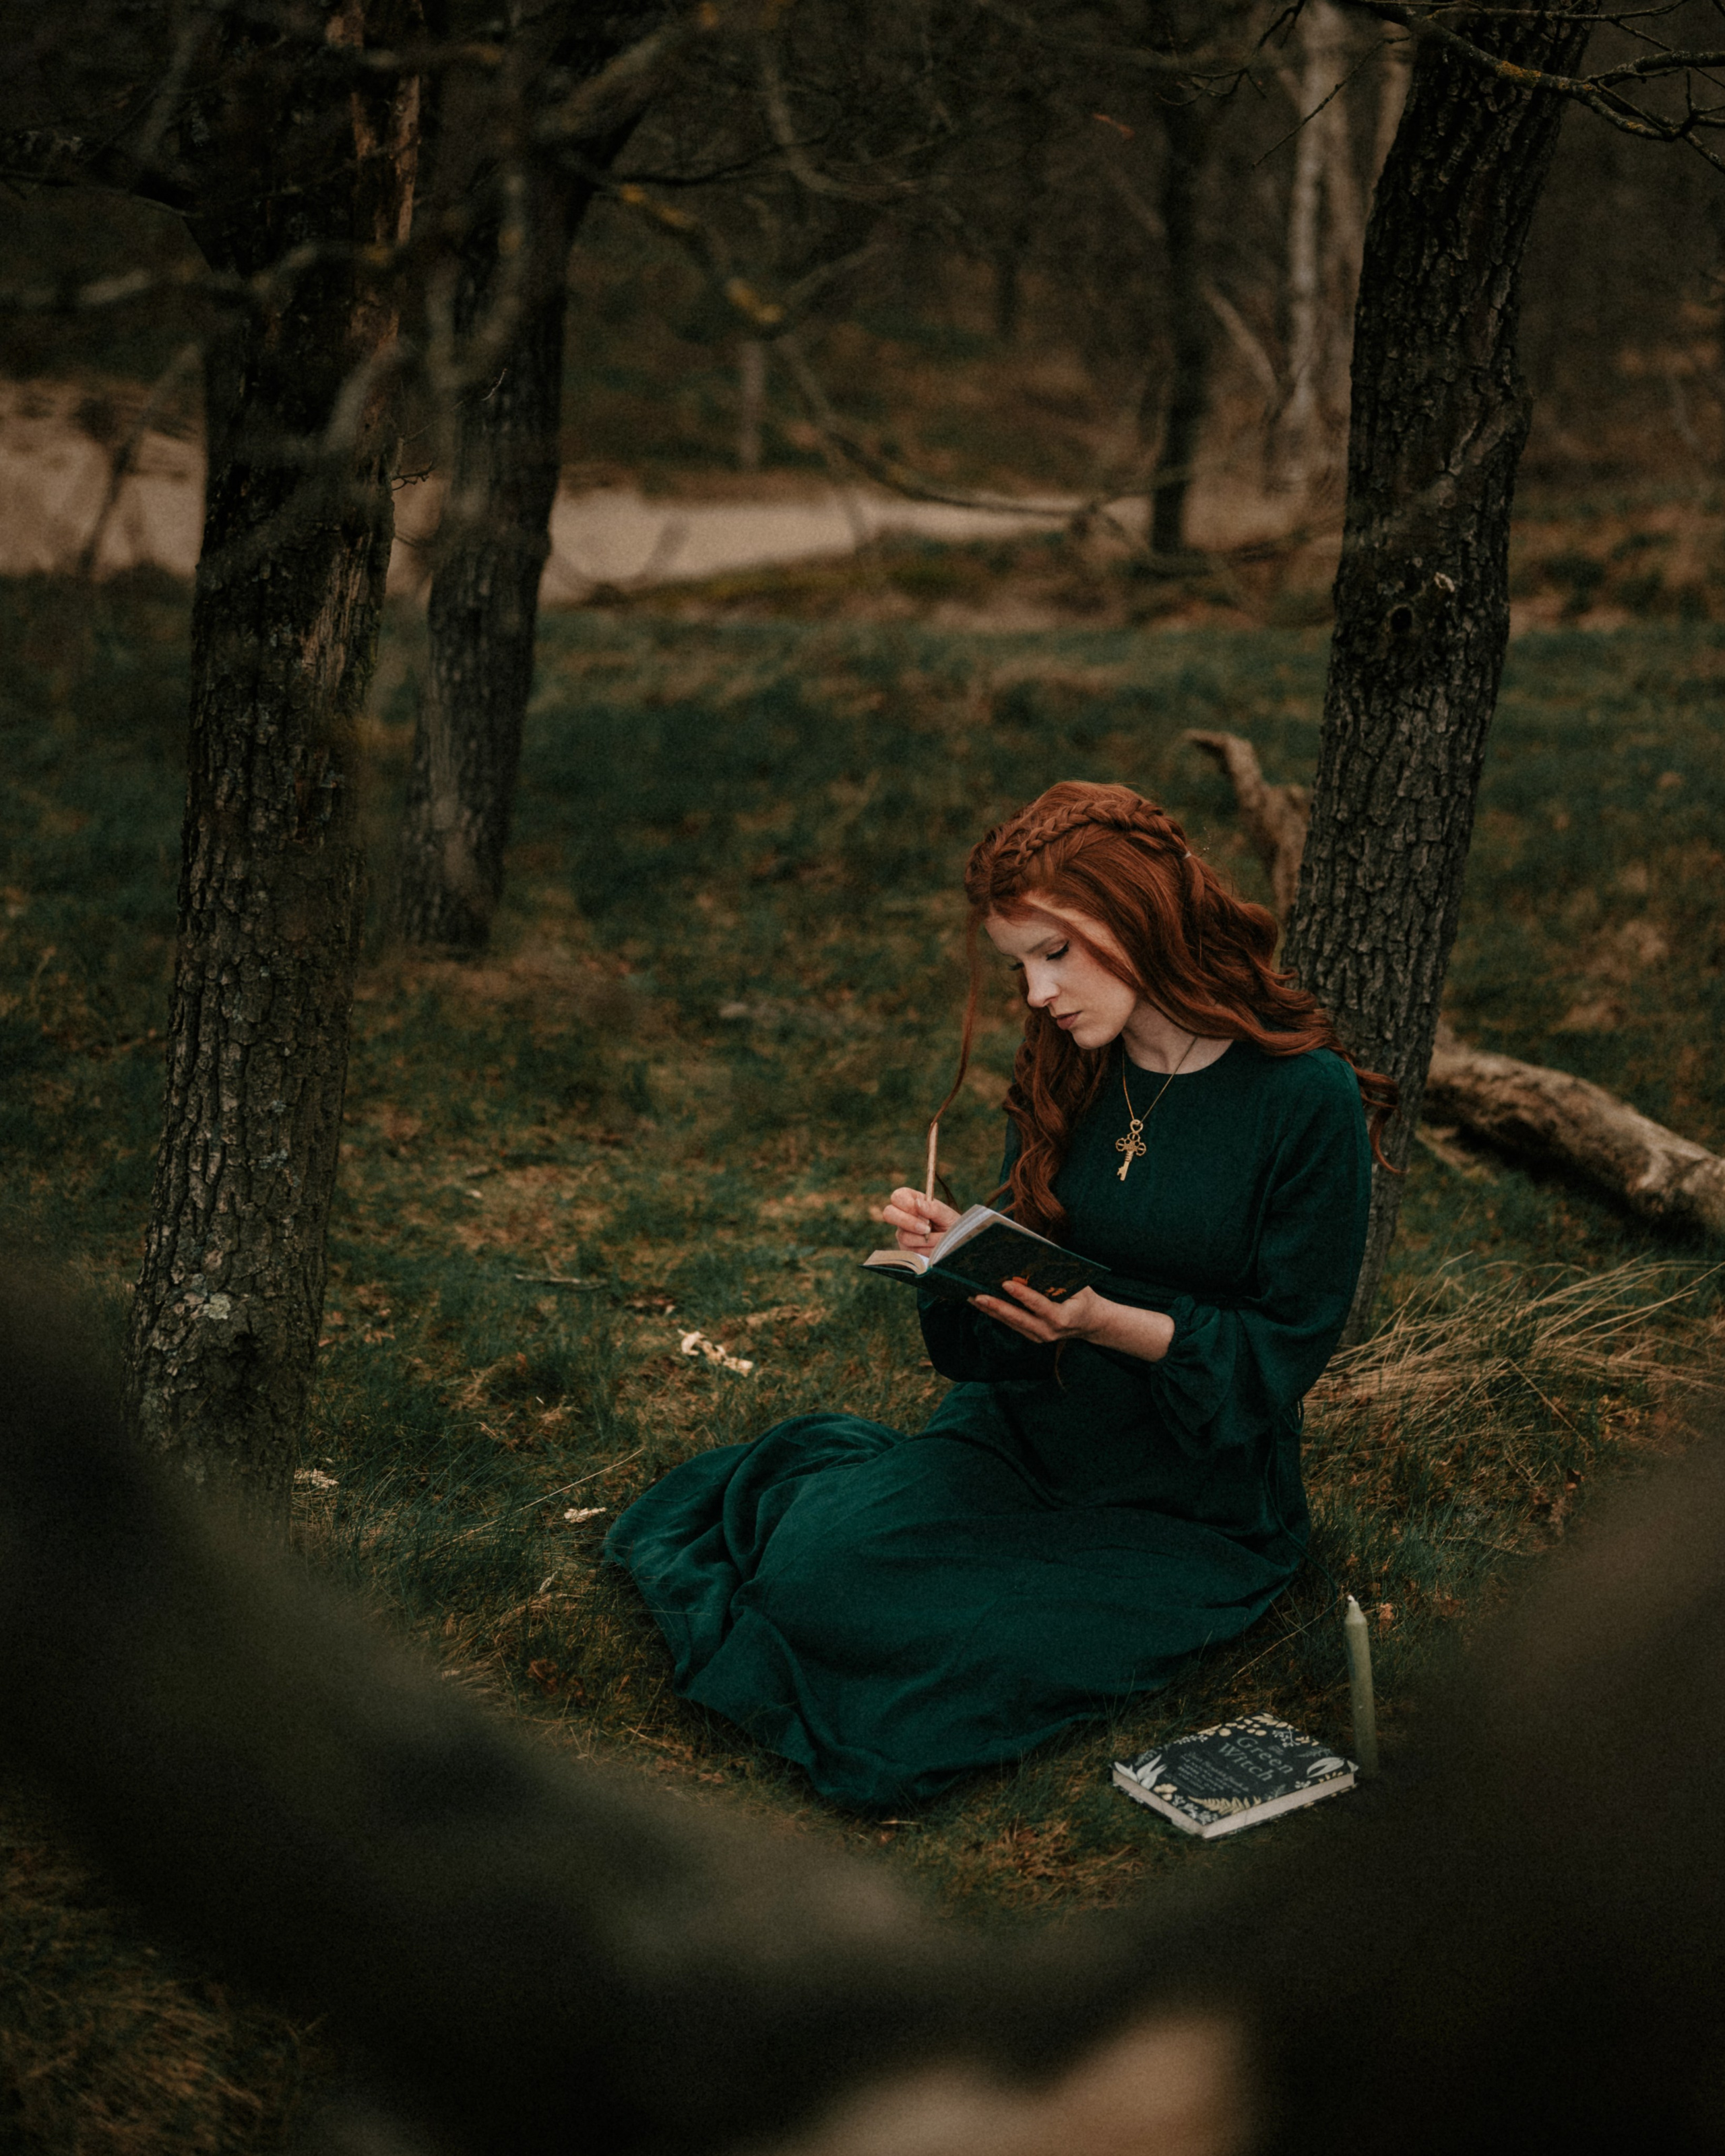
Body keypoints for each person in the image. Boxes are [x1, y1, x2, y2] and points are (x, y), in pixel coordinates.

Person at [604, 780, 1395, 1811]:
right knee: (813, 1580)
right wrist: (959, 1256)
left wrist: (1104, 1320)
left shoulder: (1304, 1101)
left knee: (967, 1661)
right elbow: (1017, 1281)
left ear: (1137, 914)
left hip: (1185, 1498)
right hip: (1024, 1435)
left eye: (1054, 954)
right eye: (1020, 964)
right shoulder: (1073, 1062)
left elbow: (1283, 1348)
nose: (1037, 994)